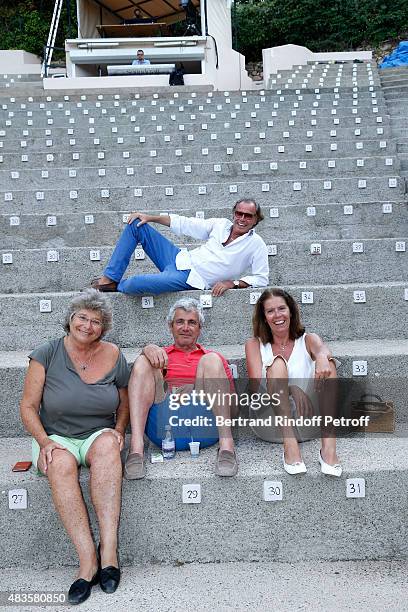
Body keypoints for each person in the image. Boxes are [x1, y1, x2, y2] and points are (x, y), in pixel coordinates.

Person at [20, 289, 130, 605]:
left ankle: (109, 552)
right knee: (60, 463)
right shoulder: (46, 354)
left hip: (98, 432)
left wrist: (120, 429)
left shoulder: (113, 354)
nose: (87, 325)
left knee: (109, 448)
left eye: (96, 321)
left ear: (104, 327)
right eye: (82, 317)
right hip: (55, 435)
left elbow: (123, 401)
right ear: (70, 319)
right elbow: (27, 407)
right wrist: (44, 442)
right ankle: (87, 563)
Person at [124, 297, 239, 479]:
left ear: (199, 329)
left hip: (205, 425)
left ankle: (227, 448)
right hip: (164, 428)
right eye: (180, 322)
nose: (186, 327)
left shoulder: (213, 359)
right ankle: (136, 450)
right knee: (143, 361)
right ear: (171, 326)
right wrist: (146, 349)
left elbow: (233, 410)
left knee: (211, 360)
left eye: (192, 322)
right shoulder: (160, 355)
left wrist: (195, 389)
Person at [245, 288, 342, 477]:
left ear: (291, 311)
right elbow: (257, 387)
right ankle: (290, 449)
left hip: (307, 421)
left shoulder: (308, 339)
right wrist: (292, 389)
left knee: (329, 364)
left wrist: (322, 356)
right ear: (264, 317)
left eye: (282, 308)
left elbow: (321, 349)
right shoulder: (254, 345)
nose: (277, 315)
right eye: (270, 311)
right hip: (270, 422)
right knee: (277, 363)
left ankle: (329, 450)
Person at [91, 198, 269, 296]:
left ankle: (116, 287)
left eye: (248, 216)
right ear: (234, 213)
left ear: (255, 220)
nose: (242, 219)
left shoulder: (256, 244)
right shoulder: (221, 224)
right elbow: (187, 224)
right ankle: (110, 279)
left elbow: (262, 278)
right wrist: (150, 217)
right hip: (177, 257)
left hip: (189, 279)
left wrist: (234, 283)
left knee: (136, 283)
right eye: (239, 213)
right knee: (136, 223)